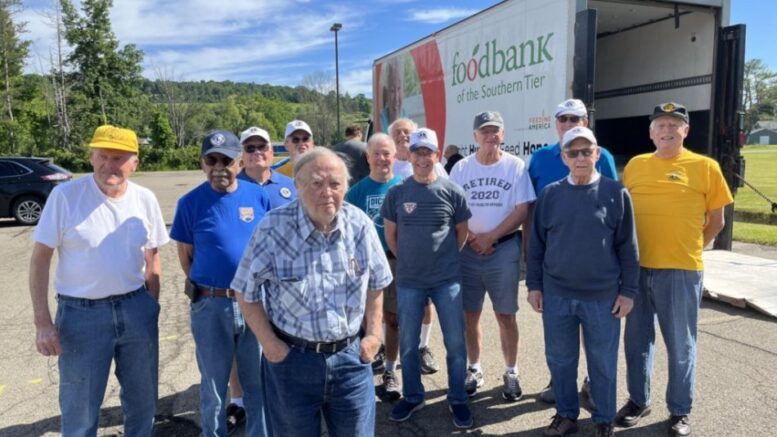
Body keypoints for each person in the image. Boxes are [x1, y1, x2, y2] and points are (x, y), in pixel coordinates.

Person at [231, 148, 392, 437]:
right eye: (316, 183)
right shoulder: (273, 227)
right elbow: (245, 290)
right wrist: (270, 344)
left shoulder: (360, 225)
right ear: (298, 186)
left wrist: (372, 336)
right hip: (292, 362)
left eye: (335, 184)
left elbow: (377, 282)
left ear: (346, 187)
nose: (326, 192)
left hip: (351, 362)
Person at [29, 125, 169, 436]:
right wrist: (43, 322)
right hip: (81, 315)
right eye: (102, 156)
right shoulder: (65, 197)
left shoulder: (144, 198)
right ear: (91, 158)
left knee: (142, 401)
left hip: (135, 309)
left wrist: (151, 305)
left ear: (135, 163)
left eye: (119, 158)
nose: (109, 165)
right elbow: (40, 259)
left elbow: (153, 254)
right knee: (80, 408)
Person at [616, 102, 733, 437]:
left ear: (686, 130)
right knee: (636, 341)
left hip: (681, 271)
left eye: (674, 125)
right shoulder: (637, 166)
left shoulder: (705, 167)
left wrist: (692, 246)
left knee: (681, 345)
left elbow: (717, 220)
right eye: (660, 125)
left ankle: (680, 410)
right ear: (651, 132)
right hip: (637, 270)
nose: (666, 130)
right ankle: (639, 400)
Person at [526, 126, 639, 437]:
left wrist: (628, 292)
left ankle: (603, 418)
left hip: (602, 297)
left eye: (586, 151)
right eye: (572, 152)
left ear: (596, 154)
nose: (580, 157)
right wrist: (534, 286)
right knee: (560, 360)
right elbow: (536, 245)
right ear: (564, 157)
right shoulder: (550, 194)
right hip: (557, 295)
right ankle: (566, 415)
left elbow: (628, 247)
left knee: (602, 362)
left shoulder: (616, 193)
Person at [170, 130, 270, 437]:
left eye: (225, 160)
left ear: (239, 162)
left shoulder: (258, 197)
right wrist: (210, 289)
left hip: (254, 302)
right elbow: (186, 257)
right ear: (202, 164)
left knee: (257, 381)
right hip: (211, 304)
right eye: (211, 160)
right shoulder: (190, 203)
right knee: (213, 383)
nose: (219, 167)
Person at [527, 98, 619, 405]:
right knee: (560, 337)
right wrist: (533, 275)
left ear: (586, 122)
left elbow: (613, 204)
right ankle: (560, 381)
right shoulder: (539, 158)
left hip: (593, 267)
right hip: (555, 264)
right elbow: (532, 214)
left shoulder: (601, 155)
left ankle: (592, 383)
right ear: (556, 124)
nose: (569, 123)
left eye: (575, 118)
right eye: (563, 119)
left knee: (592, 332)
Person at [382, 128, 474, 429]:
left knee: (455, 343)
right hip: (409, 281)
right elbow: (391, 236)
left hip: (447, 280)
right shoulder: (397, 192)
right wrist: (411, 261)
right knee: (408, 343)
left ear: (437, 155)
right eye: (417, 152)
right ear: (409, 155)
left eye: (428, 152)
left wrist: (442, 259)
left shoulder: (452, 191)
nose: (423, 158)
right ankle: (413, 395)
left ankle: (458, 397)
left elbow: (462, 233)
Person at [449, 111, 535, 400]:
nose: (490, 136)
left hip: (503, 249)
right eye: (484, 131)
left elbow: (522, 210)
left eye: (495, 130)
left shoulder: (515, 167)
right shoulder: (461, 169)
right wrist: (473, 237)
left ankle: (511, 370)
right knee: (469, 314)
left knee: (505, 314)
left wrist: (491, 236)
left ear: (503, 134)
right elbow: (452, 210)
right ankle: (474, 368)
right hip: (468, 250)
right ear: (474, 136)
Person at [345, 133, 404, 400]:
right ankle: (363, 372)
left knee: (393, 321)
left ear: (395, 156)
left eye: (387, 153)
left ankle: (391, 371)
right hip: (363, 267)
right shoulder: (355, 193)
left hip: (395, 263)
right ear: (367, 157)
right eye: (376, 153)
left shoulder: (404, 187)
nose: (382, 158)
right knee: (364, 321)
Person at [386, 117, 444, 375]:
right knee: (393, 308)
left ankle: (423, 348)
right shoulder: (387, 163)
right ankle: (392, 354)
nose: (402, 136)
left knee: (424, 305)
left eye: (407, 132)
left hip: (427, 254)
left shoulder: (434, 165)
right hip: (397, 251)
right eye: (397, 133)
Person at [238, 126, 297, 209]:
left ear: (271, 151)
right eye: (250, 148)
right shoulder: (232, 187)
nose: (257, 152)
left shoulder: (292, 185)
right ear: (242, 154)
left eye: (262, 147)